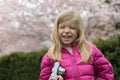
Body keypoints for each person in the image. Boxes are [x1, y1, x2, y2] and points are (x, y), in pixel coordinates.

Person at [39, 10, 114, 80]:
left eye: (72, 28)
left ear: (78, 31)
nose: (67, 31)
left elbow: (106, 72)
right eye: (62, 27)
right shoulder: (50, 56)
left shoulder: (90, 50)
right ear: (56, 30)